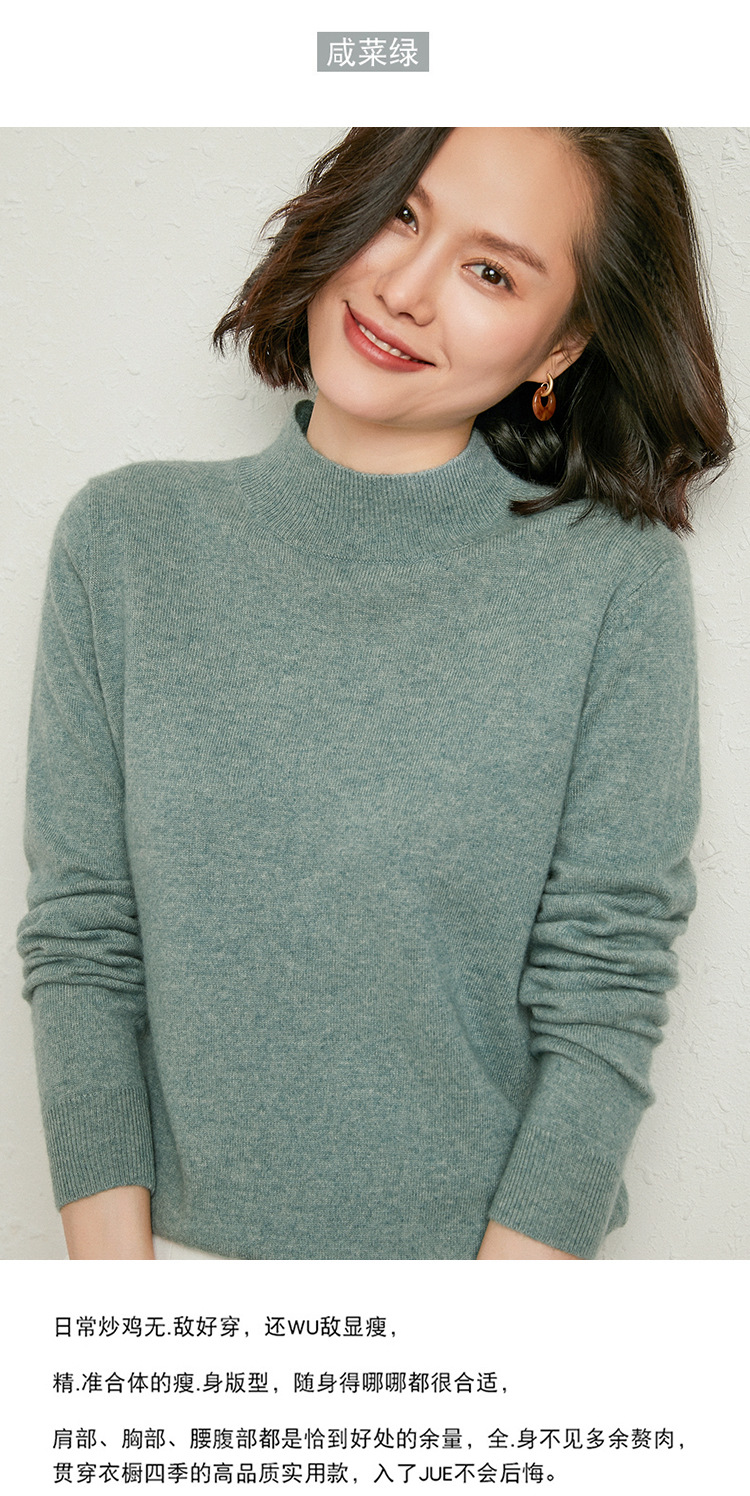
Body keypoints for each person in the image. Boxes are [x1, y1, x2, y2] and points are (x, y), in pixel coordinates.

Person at [17, 127, 732, 1261]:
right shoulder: (125, 544)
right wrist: (121, 1310)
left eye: (491, 271)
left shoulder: (613, 585)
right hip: (168, 1285)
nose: (405, 289)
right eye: (403, 213)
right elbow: (85, 940)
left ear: (560, 348)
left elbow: (606, 982)